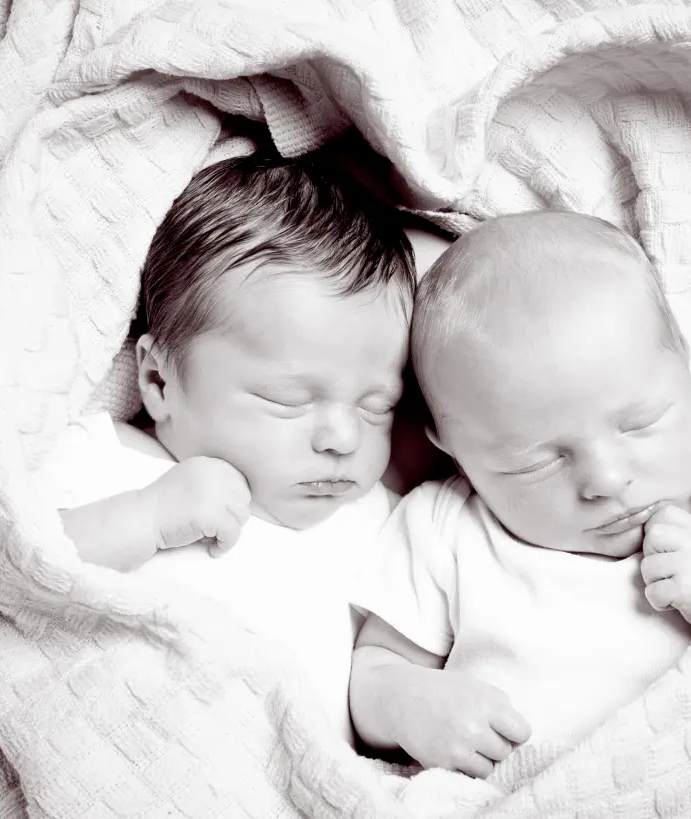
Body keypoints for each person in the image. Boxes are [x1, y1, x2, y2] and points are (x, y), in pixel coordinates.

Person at [41, 153, 417, 744]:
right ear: (159, 382)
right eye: (289, 399)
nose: (345, 439)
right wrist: (146, 517)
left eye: (378, 406)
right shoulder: (105, 460)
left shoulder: (383, 524)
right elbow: (14, 567)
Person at [348, 210, 691, 776]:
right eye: (536, 462)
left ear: (687, 369)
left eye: (640, 423)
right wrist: (408, 705)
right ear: (455, 449)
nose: (605, 479)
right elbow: (373, 669)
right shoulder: (448, 527)